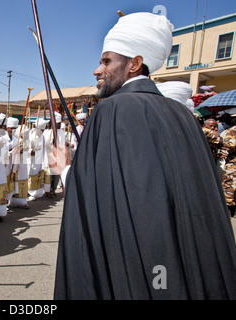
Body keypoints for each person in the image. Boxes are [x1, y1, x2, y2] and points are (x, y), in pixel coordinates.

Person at [54, 12, 236, 299]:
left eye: (106, 61)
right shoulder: (183, 115)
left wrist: (65, 170)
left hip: (141, 265)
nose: (97, 70)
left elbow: (100, 197)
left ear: (134, 64)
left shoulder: (112, 110)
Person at [28, 118, 47, 201]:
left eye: (43, 130)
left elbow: (44, 149)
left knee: (39, 175)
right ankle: (31, 193)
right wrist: (32, 150)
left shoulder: (42, 137)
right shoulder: (31, 136)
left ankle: (38, 192)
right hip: (32, 160)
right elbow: (27, 148)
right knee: (32, 176)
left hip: (40, 160)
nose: (42, 132)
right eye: (41, 130)